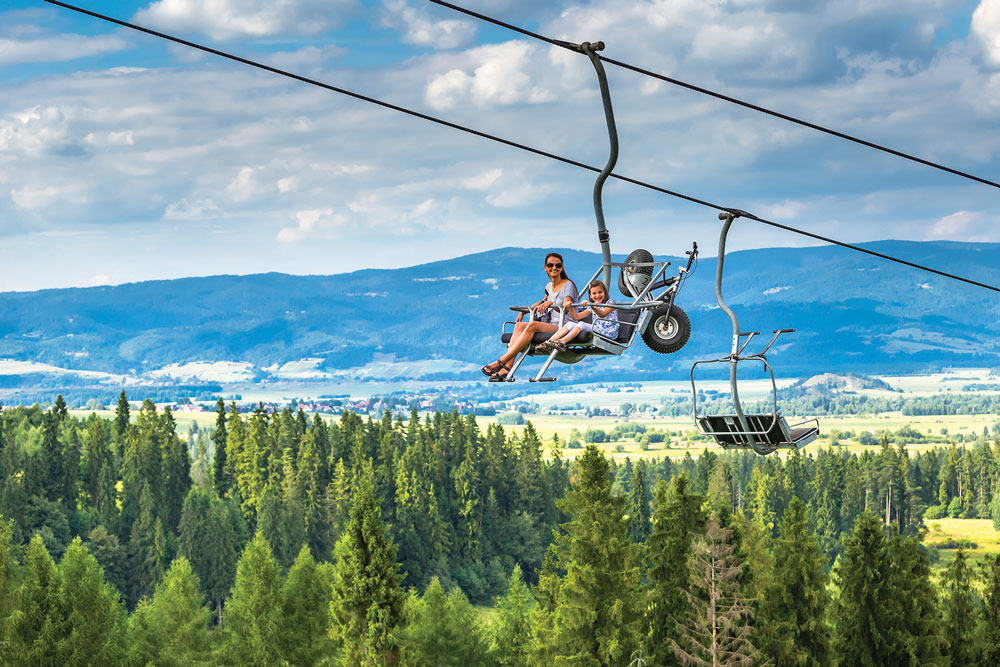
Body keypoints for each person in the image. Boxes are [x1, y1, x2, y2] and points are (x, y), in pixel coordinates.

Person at [481, 252, 583, 379]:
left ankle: (501, 361)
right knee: (519, 326)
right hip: (552, 324)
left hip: (565, 326)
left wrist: (553, 303)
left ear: (562, 267)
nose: (554, 268)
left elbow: (567, 308)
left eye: (558, 265)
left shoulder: (568, 285)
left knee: (533, 325)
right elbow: (543, 302)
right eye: (550, 265)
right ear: (545, 267)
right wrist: (525, 311)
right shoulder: (549, 286)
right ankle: (507, 367)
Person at [536, 279, 619, 352]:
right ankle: (548, 342)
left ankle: (562, 342)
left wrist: (592, 307)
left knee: (581, 324)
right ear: (590, 295)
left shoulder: (610, 302)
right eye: (594, 293)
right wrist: (571, 307)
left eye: (600, 292)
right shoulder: (593, 305)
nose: (597, 296)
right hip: (599, 329)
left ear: (605, 292)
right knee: (570, 324)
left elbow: (603, 314)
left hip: (609, 332)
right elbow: (576, 317)